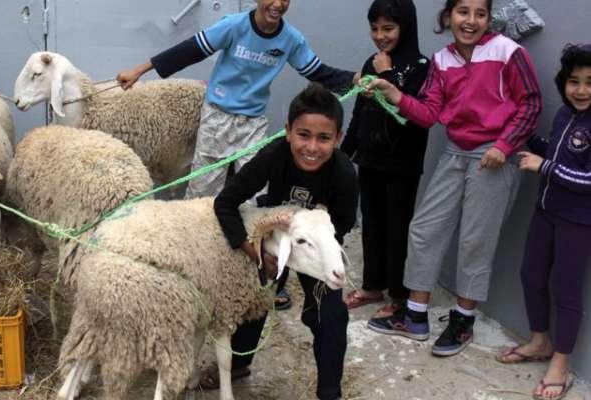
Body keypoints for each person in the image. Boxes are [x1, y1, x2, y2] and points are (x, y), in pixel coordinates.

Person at [117, 0, 355, 311]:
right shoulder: (233, 26)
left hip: (252, 123)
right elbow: (189, 50)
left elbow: (318, 72)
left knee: (260, 200)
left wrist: (357, 79)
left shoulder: (291, 40)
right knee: (203, 190)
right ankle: (191, 263)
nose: (278, 3)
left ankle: (263, 272)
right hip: (218, 116)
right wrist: (140, 70)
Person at [364, 0, 542, 357]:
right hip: (456, 151)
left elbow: (531, 104)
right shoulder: (442, 60)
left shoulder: (509, 52)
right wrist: (394, 93)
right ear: (448, 17)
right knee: (425, 228)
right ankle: (414, 317)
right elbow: (429, 113)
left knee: (476, 240)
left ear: (489, 18)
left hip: (493, 156)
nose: (471, 21)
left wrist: (504, 147)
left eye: (480, 13)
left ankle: (462, 321)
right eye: (463, 12)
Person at [209, 83, 358, 400]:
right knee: (256, 298)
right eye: (304, 135)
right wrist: (253, 251)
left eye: (324, 138)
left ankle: (329, 392)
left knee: (330, 313)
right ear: (288, 131)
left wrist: (320, 239)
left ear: (338, 139)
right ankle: (238, 365)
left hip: (312, 248)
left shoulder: (344, 173)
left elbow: (343, 224)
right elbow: (225, 202)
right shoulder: (273, 156)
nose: (312, 147)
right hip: (275, 240)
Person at [496, 43, 591, 400]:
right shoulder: (566, 115)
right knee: (531, 275)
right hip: (546, 211)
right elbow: (554, 151)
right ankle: (540, 341)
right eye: (573, 81)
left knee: (565, 289)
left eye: (589, 82)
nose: (580, 90)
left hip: (578, 221)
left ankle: (561, 365)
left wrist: (545, 166)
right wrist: (527, 140)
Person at [340, 0, 430, 319]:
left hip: (402, 164)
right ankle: (372, 285)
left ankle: (398, 295)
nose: (380, 36)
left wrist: (387, 74)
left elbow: (408, 116)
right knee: (371, 224)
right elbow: (360, 113)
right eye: (375, 28)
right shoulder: (372, 62)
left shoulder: (421, 66)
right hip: (371, 160)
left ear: (405, 28)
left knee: (397, 229)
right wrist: (343, 155)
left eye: (388, 28)